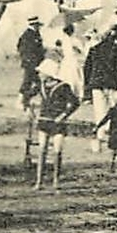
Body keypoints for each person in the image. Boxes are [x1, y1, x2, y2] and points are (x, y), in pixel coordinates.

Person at [83, 19, 117, 152]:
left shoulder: (94, 49)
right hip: (111, 82)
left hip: (96, 83)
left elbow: (86, 68)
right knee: (112, 108)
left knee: (99, 110)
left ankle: (100, 133)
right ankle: (109, 131)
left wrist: (87, 83)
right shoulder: (116, 49)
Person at [33, 60, 80, 190]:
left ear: (49, 73)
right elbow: (28, 97)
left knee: (57, 151)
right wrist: (32, 111)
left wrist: (63, 115)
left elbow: (75, 103)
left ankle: (56, 181)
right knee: (42, 150)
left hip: (58, 123)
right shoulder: (40, 85)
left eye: (41, 72)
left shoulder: (64, 87)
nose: (39, 74)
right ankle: (39, 182)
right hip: (44, 121)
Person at [17, 14, 46, 111]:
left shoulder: (35, 34)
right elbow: (26, 51)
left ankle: (24, 100)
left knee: (31, 83)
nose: (39, 28)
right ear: (34, 25)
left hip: (34, 64)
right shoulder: (28, 35)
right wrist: (33, 64)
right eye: (38, 25)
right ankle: (23, 101)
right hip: (31, 64)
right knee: (33, 83)